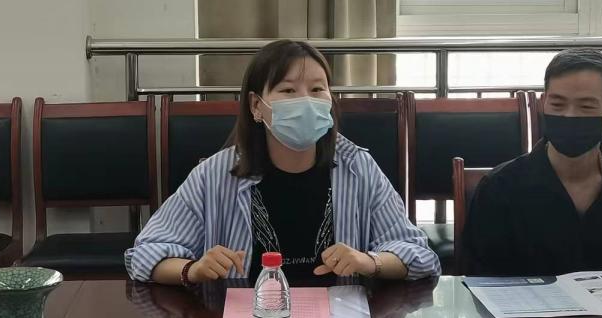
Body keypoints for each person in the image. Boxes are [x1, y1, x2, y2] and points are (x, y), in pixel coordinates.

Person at [126, 40, 440, 285]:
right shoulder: (215, 174)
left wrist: (370, 262)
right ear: (256, 105)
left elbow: (420, 255)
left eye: (317, 89)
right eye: (288, 90)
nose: (306, 101)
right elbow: (144, 254)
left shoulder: (358, 167)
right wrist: (193, 270)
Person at [464, 48, 602, 276]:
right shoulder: (499, 188)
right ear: (543, 103)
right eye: (558, 105)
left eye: (586, 106)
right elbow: (481, 280)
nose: (570, 115)